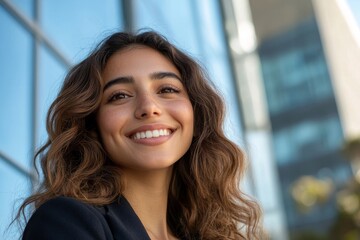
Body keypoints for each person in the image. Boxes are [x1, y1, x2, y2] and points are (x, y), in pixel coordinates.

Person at [17, 31, 263, 239]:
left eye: (167, 89)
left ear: (196, 115)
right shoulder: (66, 222)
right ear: (92, 125)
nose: (148, 107)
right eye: (120, 95)